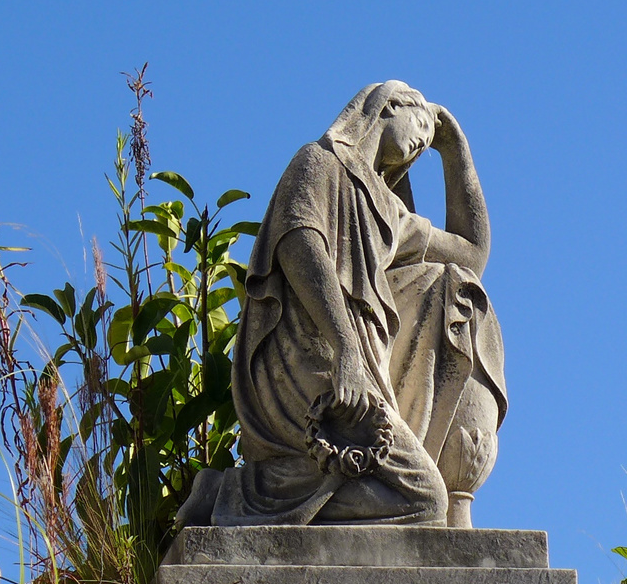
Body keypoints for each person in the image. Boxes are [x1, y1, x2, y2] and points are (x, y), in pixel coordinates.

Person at [207, 81, 506, 527]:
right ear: (387, 107)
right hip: (309, 362)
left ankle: (259, 489)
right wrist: (346, 348)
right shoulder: (319, 162)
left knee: (454, 284)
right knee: (424, 500)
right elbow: (298, 244)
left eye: (427, 144)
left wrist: (454, 150)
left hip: (359, 368)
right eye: (420, 127)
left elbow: (471, 254)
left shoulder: (387, 209)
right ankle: (240, 496)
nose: (419, 146)